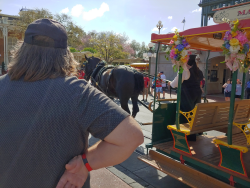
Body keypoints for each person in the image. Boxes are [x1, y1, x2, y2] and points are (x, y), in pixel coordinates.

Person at [0, 19, 144, 188]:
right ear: (65, 55)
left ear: (22, 50)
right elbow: (133, 136)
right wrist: (85, 163)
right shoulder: (78, 92)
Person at [168, 55, 203, 141]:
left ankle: (186, 137)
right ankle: (194, 134)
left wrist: (169, 83)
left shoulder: (184, 71)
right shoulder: (199, 71)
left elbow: (174, 84)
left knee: (185, 116)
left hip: (187, 96)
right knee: (193, 114)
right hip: (196, 96)